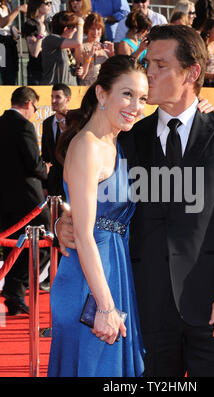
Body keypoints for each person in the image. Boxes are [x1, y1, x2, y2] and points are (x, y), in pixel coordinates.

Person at [56, 24, 214, 377]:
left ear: (192, 72)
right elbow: (99, 194)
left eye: (160, 65)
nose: (148, 73)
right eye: (147, 63)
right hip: (142, 306)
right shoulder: (128, 137)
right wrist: (65, 221)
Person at [47, 55, 148, 377]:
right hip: (90, 281)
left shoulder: (116, 143)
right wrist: (105, 307)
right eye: (127, 94)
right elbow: (85, 232)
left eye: (143, 97)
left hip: (113, 270)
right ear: (102, 94)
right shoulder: (88, 146)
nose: (136, 105)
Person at [0, 87, 51, 315]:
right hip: (28, 200)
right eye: (35, 107)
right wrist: (46, 169)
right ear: (29, 104)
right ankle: (15, 286)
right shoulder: (24, 126)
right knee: (45, 240)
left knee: (14, 244)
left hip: (4, 200)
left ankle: (14, 292)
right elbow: (34, 164)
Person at [42, 83, 71, 201]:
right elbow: (45, 155)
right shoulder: (47, 123)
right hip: (53, 185)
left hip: (71, 182)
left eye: (58, 97)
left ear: (68, 100)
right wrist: (44, 185)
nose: (53, 100)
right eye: (52, 96)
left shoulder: (76, 122)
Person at [41, 11, 83, 85]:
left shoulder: (66, 45)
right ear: (65, 29)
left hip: (69, 90)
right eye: (74, 27)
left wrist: (77, 70)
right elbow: (78, 43)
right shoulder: (51, 39)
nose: (75, 30)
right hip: (54, 90)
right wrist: (80, 24)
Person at [76, 12, 114, 86]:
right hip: (87, 88)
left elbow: (113, 71)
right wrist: (90, 55)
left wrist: (112, 55)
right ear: (87, 28)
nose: (95, 32)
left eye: (98, 29)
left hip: (103, 88)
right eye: (92, 29)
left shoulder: (104, 46)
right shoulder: (81, 46)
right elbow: (80, 75)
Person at [22, 0, 52, 85]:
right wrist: (41, 34)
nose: (49, 5)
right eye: (46, 3)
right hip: (36, 70)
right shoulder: (29, 24)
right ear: (37, 5)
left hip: (49, 68)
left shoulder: (48, 24)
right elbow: (34, 52)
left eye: (50, 3)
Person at [0, 0, 27, 84]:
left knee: (13, 72)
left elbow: (7, 24)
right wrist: (18, 9)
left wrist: (13, 29)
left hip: (9, 40)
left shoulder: (8, 4)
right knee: (6, 72)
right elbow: (2, 23)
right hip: (1, 43)